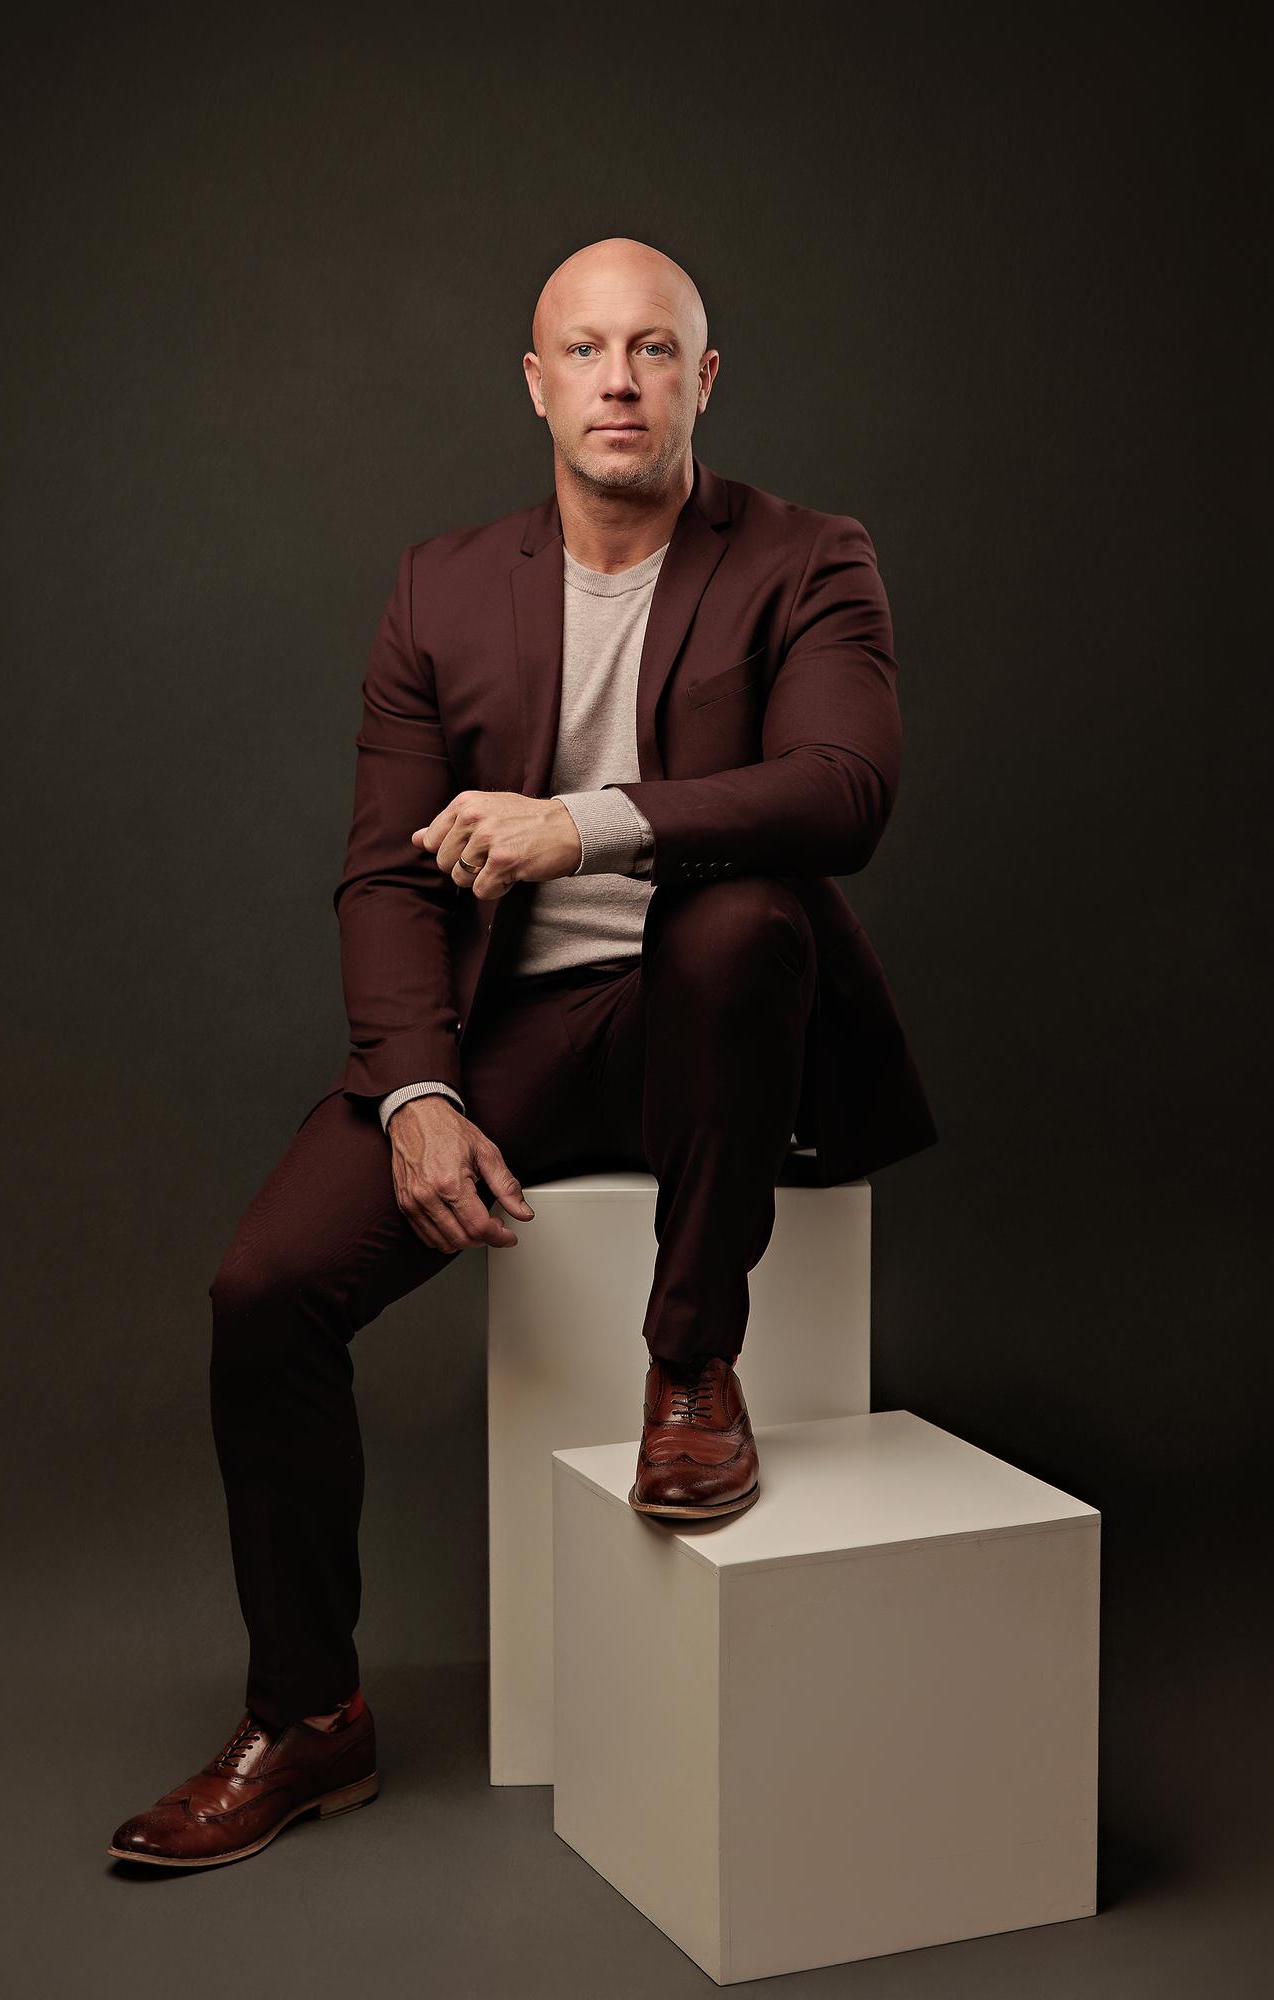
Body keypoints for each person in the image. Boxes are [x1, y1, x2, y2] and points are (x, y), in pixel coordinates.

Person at [108, 236, 938, 1868]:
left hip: (717, 1019)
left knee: (737, 915)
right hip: (506, 1037)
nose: (616, 379)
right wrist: (416, 1091)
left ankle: (691, 1363)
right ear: (535, 382)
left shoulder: (806, 557)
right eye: (584, 349)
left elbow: (845, 790)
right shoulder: (441, 585)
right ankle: (309, 1717)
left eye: (651, 350)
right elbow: (381, 870)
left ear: (701, 380)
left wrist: (589, 825)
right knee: (263, 1290)